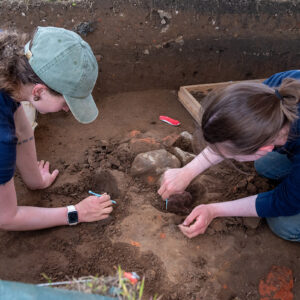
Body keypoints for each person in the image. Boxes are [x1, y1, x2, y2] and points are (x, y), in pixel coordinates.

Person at [158, 70, 300, 242]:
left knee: (284, 225)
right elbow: (229, 130)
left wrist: (214, 210)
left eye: (231, 155)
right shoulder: (271, 94)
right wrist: (187, 172)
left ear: (265, 148)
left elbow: (283, 202)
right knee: (265, 167)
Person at [0, 26, 113, 230]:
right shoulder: (1, 138)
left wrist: (35, 180)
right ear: (39, 91)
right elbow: (6, 217)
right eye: (66, 102)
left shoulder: (11, 63)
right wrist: (75, 213)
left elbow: (23, 130)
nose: (67, 109)